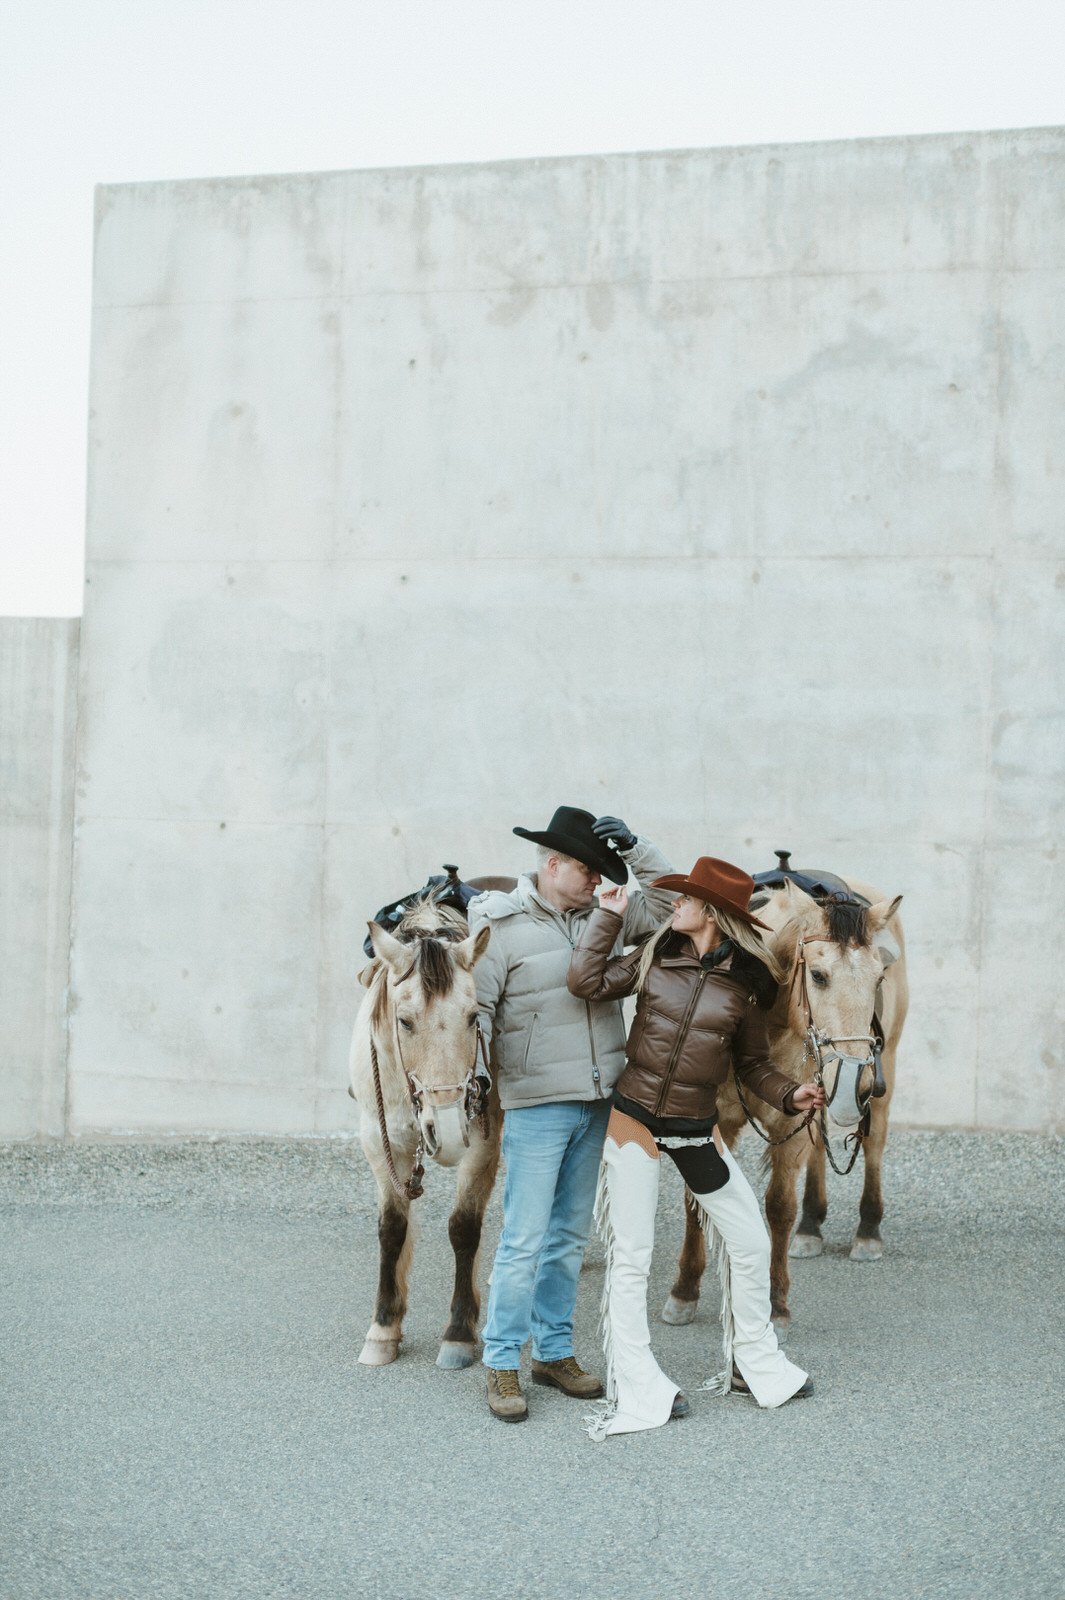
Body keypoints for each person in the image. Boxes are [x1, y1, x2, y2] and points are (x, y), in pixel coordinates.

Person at [566, 855, 826, 1438]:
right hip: (633, 1122)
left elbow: (754, 1064)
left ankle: (752, 1362)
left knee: (751, 1240)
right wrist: (606, 919)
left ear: (710, 912)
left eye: (684, 898)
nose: (673, 904)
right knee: (631, 1257)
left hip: (693, 1127)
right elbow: (586, 982)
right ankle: (637, 1380)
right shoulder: (658, 954)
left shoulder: (750, 981)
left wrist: (791, 1094)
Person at [468, 806, 675, 1422]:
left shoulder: (605, 914)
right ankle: (502, 1361)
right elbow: (473, 1015)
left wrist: (637, 852)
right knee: (524, 1238)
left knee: (568, 1239)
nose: (597, 879)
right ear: (551, 864)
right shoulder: (498, 928)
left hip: (599, 1099)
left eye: (604, 870)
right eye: (589, 869)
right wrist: (478, 1087)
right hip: (536, 1105)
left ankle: (553, 1352)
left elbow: (670, 909)